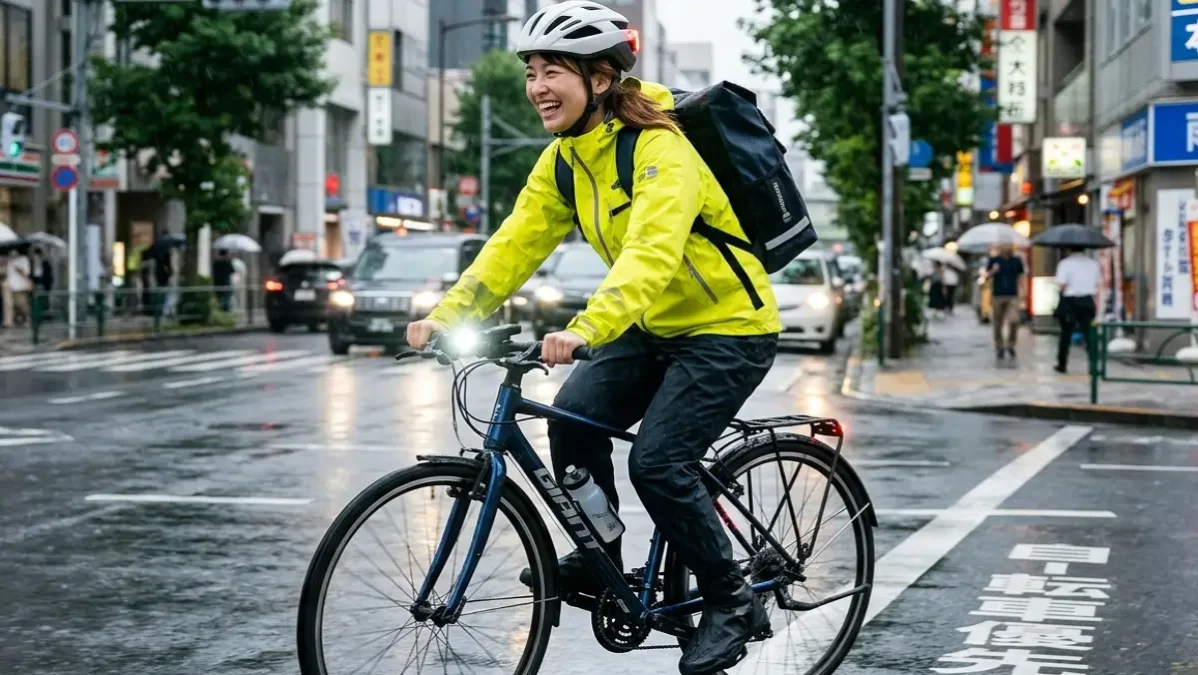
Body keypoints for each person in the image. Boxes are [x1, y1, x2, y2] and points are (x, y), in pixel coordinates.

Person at [405, 3, 781, 673]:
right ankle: (601, 545)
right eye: (531, 72)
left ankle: (730, 599)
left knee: (659, 462)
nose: (537, 87)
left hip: (728, 327)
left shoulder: (663, 148)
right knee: (571, 419)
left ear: (602, 78)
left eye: (554, 71)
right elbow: (512, 244)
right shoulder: (565, 162)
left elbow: (651, 254)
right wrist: (448, 311)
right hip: (653, 325)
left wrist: (584, 329)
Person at [1053, 246, 1100, 374]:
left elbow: (1062, 285)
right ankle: (1094, 365)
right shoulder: (1093, 264)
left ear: (1070, 250)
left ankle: (1062, 364)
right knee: (1089, 334)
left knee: (1065, 334)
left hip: (1070, 301)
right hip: (1087, 301)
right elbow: (1097, 283)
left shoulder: (1064, 264)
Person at [986, 245, 1025, 360]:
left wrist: (1023, 291)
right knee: (998, 322)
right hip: (997, 294)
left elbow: (1021, 276)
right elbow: (986, 276)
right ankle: (999, 346)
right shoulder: (994, 260)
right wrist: (994, 271)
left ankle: (1011, 344)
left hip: (1013, 294)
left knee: (1014, 320)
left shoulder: (1016, 260)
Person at [4, 248, 31, 328]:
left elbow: (26, 272)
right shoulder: (8, 260)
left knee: (22, 305)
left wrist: (18, 269)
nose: (12, 255)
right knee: (10, 304)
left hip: (20, 287)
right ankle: (11, 321)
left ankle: (26, 319)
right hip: (10, 286)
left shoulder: (24, 259)